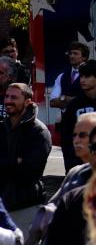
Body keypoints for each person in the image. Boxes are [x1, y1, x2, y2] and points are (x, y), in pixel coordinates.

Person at [0, 83, 52, 234]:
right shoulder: (1, 128)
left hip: (26, 207)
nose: (8, 100)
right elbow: (17, 167)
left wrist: (5, 164)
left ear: (28, 101)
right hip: (2, 207)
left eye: (14, 97)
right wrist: (14, 161)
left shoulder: (39, 132)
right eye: (7, 96)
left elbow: (29, 172)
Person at [59, 60, 96, 169]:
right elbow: (66, 135)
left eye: (87, 77)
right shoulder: (74, 105)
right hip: (78, 163)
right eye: (81, 77)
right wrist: (70, 162)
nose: (82, 80)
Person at [48, 41, 89, 110]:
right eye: (70, 53)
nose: (71, 56)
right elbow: (52, 102)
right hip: (66, 118)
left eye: (75, 53)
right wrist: (66, 98)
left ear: (84, 57)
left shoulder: (91, 74)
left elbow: (88, 100)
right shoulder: (61, 76)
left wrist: (63, 99)